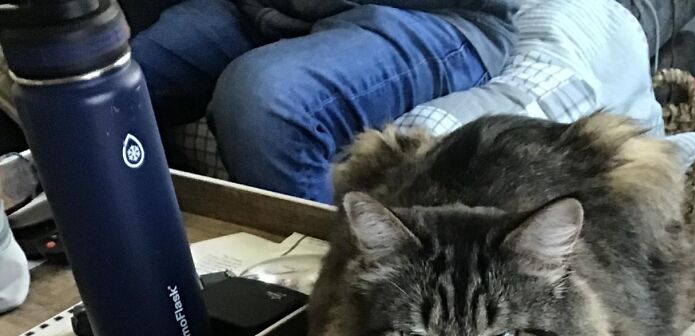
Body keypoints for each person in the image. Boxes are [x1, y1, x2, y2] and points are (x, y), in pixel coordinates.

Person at [131, 0, 518, 202]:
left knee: (264, 105)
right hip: (265, 9)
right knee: (112, 81)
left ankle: (328, 304)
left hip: (431, 14)